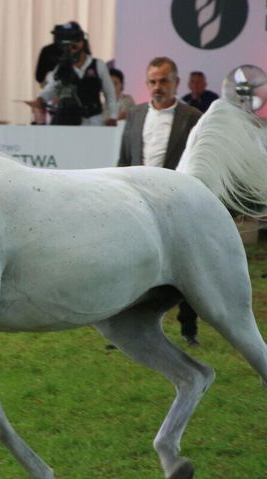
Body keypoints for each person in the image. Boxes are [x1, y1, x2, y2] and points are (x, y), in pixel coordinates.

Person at [118, 56, 204, 346]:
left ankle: (189, 328)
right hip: (137, 204)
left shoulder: (193, 117)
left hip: (177, 204)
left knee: (187, 267)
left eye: (164, 81)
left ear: (176, 83)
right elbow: (124, 160)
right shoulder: (135, 115)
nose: (158, 87)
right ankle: (123, 327)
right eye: (153, 81)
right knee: (129, 266)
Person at [29, 22, 119, 127]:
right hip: (69, 122)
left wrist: (113, 116)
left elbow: (110, 93)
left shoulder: (98, 65)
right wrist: (40, 99)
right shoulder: (61, 68)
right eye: (66, 48)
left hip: (93, 121)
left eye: (74, 47)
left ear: (82, 43)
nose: (71, 51)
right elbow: (51, 88)